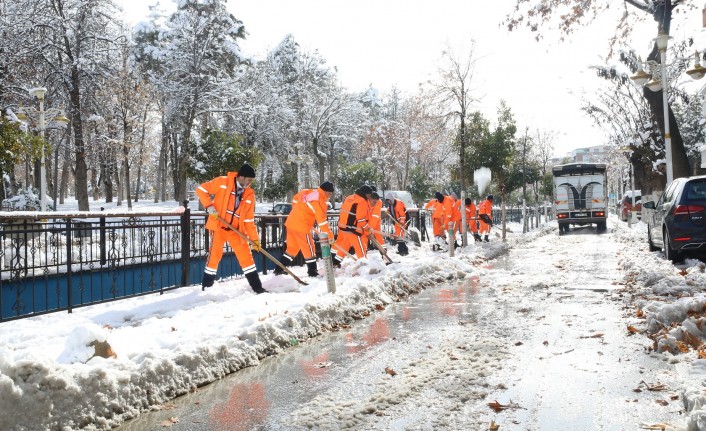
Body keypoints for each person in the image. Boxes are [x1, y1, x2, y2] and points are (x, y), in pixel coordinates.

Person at [196, 163, 266, 294]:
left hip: (237, 230)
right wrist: (209, 206)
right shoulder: (223, 182)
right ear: (241, 177)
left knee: (247, 257)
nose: (250, 183)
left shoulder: (250, 194)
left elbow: (249, 220)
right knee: (214, 256)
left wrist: (255, 240)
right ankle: (206, 288)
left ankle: (258, 288)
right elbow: (201, 189)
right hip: (219, 227)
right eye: (249, 180)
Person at [275, 181, 335, 277]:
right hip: (302, 227)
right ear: (324, 191)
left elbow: (295, 199)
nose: (330, 196)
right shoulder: (320, 201)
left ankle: (278, 270)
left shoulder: (308, 192)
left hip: (291, 223)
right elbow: (322, 221)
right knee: (310, 248)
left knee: (292, 249)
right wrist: (330, 235)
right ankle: (313, 272)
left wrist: (299, 211)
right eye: (329, 193)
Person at [333, 185, 373, 266]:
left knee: (345, 244)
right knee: (360, 247)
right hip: (352, 228)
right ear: (365, 194)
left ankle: (336, 261)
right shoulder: (362, 201)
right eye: (369, 195)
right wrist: (366, 228)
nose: (369, 197)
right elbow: (360, 218)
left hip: (343, 226)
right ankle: (364, 264)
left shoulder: (350, 197)